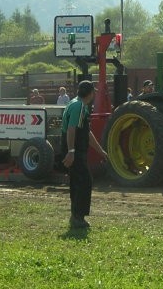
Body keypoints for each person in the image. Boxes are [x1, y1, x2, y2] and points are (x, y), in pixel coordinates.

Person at [61, 80, 108, 229]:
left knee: (77, 181)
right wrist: (71, 151)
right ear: (91, 93)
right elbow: (72, 129)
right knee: (84, 181)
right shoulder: (79, 106)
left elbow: (86, 133)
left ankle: (75, 215)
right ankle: (78, 217)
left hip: (75, 149)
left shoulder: (75, 104)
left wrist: (100, 150)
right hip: (75, 149)